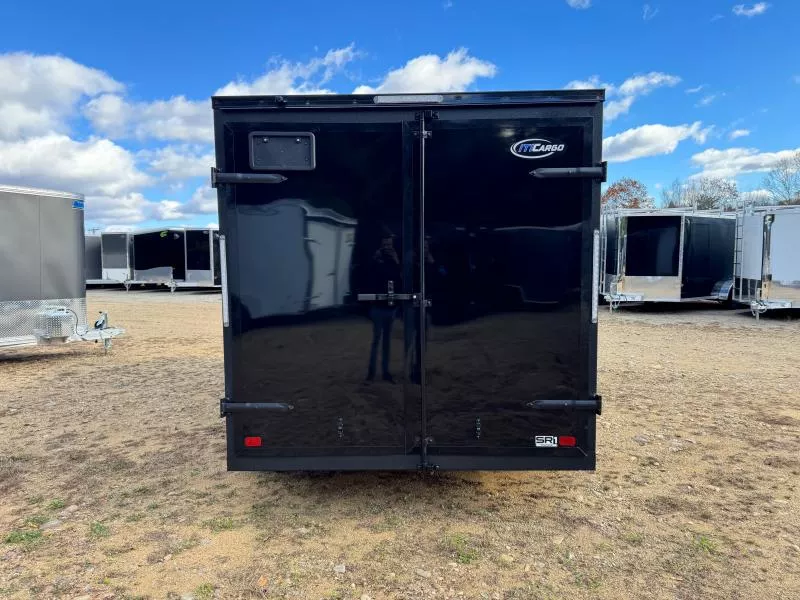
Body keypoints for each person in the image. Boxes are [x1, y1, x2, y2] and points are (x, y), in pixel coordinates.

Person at [366, 229, 401, 383]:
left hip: (390, 307)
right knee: (376, 341)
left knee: (386, 342)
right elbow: (371, 278)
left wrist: (397, 261)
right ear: (381, 244)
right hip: (378, 307)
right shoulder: (376, 259)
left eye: (390, 243)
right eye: (385, 243)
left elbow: (398, 280)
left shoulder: (393, 260)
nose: (387, 245)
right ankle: (371, 373)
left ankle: (386, 372)